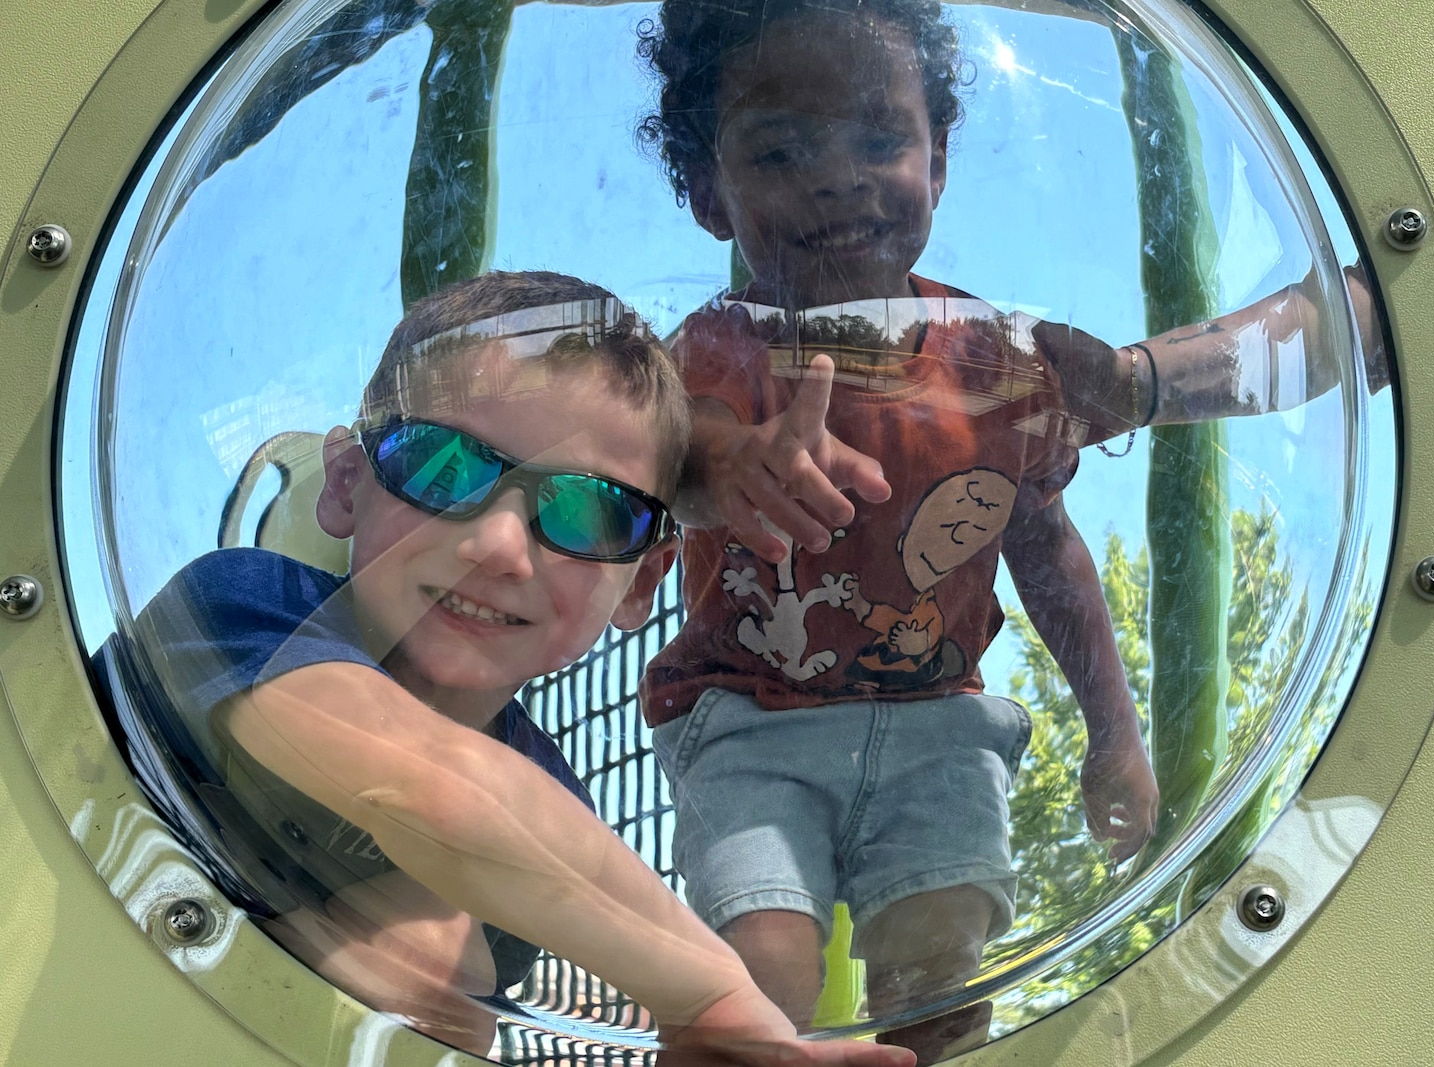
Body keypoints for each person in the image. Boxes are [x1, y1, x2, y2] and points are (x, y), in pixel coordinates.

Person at [98, 269, 915, 1067]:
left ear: (642, 583)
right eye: (441, 465)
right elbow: (427, 786)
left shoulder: (550, 807)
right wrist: (709, 995)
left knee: (441, 950)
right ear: (347, 481)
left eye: (587, 510)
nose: (496, 547)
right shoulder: (242, 605)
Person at [635, 1, 1164, 1059]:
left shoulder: (992, 359)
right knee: (758, 970)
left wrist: (1114, 731)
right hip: (750, 715)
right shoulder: (708, 353)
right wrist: (723, 463)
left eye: (879, 140)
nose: (837, 176)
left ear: (938, 160)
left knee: (940, 966)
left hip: (935, 723)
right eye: (779, 149)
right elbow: (666, 456)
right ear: (706, 189)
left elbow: (1044, 549)